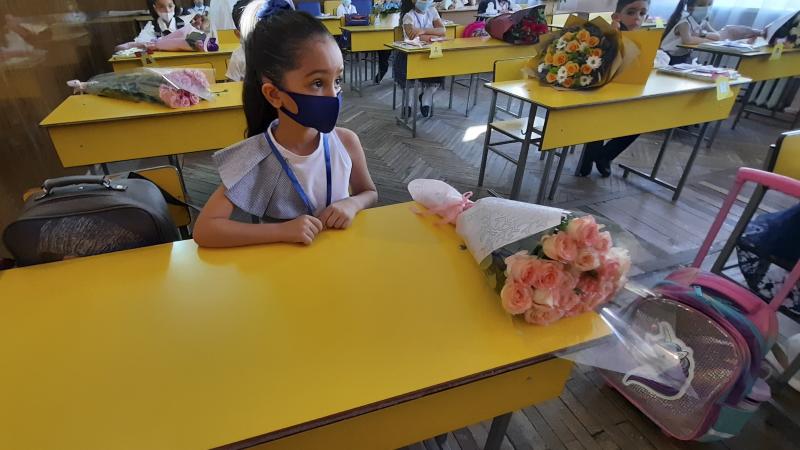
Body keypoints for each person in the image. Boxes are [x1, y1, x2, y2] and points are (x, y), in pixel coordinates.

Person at [194, 1, 378, 248]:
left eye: (337, 80)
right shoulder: (257, 157)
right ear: (274, 95)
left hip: (341, 260)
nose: (333, 95)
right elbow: (205, 229)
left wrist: (353, 203)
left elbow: (370, 192)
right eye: (317, 83)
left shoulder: (346, 142)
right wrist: (281, 231)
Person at [578, 0, 649, 178]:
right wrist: (611, 37)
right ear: (617, 16)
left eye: (642, 13)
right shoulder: (604, 36)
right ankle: (589, 158)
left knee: (642, 120)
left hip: (629, 93)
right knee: (599, 116)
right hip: (598, 92)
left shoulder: (645, 40)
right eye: (631, 12)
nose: (637, 18)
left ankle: (605, 155)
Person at [393, 0, 445, 118]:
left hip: (430, 53)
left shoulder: (432, 11)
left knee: (438, 74)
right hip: (410, 54)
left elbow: (442, 31)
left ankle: (425, 98)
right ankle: (408, 103)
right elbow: (412, 36)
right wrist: (433, 34)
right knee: (408, 77)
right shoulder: (408, 16)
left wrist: (423, 31)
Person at [660, 0, 720, 65]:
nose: (706, 8)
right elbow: (688, 40)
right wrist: (710, 40)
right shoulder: (684, 23)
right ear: (689, 8)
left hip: (683, 55)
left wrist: (702, 34)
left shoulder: (703, 22)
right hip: (667, 56)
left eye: (709, 5)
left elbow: (718, 36)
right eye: (700, 5)